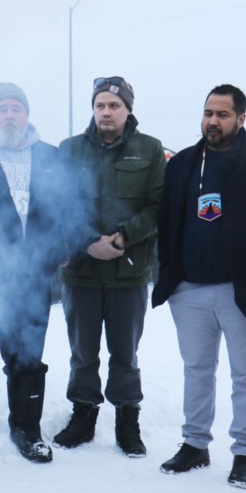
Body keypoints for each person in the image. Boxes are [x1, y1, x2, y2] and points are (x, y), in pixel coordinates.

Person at [152, 85, 246, 488]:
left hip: (243, 290)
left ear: (241, 119)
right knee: (197, 369)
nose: (212, 121)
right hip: (190, 289)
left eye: (222, 114)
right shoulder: (184, 163)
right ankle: (195, 444)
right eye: (208, 112)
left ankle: (243, 453)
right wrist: (171, 273)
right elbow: (167, 220)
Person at [0, 83, 80, 465]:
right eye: (2, 109)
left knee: (27, 359)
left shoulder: (52, 158)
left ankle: (26, 430)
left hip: (31, 279)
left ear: (27, 115)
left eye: (16, 109)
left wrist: (60, 249)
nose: (9, 115)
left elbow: (70, 211)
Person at [54, 76, 165, 457]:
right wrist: (88, 241)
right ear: (93, 108)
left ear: (128, 110)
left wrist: (123, 236)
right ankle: (82, 416)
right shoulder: (69, 150)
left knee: (125, 354)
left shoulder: (149, 150)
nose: (106, 111)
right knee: (83, 352)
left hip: (128, 271)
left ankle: (127, 421)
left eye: (114, 105)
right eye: (100, 104)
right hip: (81, 273)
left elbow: (157, 206)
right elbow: (60, 206)